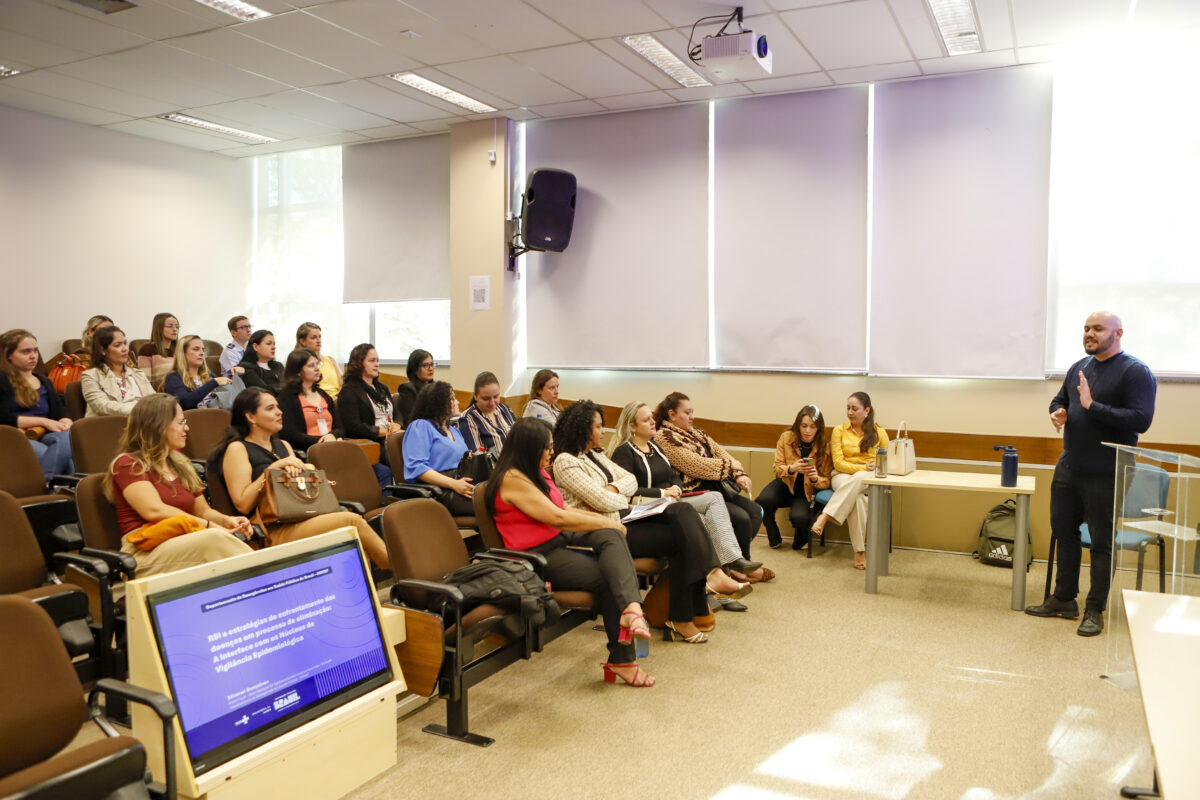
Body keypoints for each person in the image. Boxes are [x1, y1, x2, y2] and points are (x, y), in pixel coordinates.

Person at [553, 400, 744, 642]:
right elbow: (603, 502)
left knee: (683, 515)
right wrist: (616, 494)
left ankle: (696, 598)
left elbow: (630, 481)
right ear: (583, 429)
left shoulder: (596, 456)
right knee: (682, 534)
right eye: (599, 427)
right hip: (605, 531)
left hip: (626, 519)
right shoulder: (566, 461)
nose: (604, 431)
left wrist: (612, 489)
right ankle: (694, 602)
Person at [485, 418, 654, 686]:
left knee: (611, 537)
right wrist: (607, 521)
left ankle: (631, 613)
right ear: (530, 448)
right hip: (536, 557)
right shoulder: (512, 479)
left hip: (558, 539)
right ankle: (623, 657)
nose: (552, 452)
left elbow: (563, 511)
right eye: (547, 447)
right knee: (615, 577)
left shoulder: (535, 471)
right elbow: (557, 518)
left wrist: (609, 524)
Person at [1025, 311, 1156, 637]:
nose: (1089, 334)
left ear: (1119, 333)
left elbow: (1141, 419)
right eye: (1086, 328)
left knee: (1100, 543)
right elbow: (1061, 399)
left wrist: (1092, 406)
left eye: (1098, 329)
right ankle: (1064, 599)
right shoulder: (1078, 368)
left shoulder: (1135, 372)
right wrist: (1058, 411)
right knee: (1064, 533)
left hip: (1108, 471)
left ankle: (1094, 609)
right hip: (1070, 467)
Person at [215, 387, 389, 569]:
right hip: (272, 528)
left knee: (352, 537)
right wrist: (272, 470)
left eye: (278, 407)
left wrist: (307, 469)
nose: (279, 412)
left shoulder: (283, 445)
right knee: (351, 521)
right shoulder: (237, 448)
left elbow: (299, 486)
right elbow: (242, 503)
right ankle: (396, 567)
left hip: (301, 516)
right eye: (270, 408)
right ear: (250, 417)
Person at [609, 401, 763, 579]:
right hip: (649, 506)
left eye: (652, 417)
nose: (653, 422)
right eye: (646, 420)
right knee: (701, 519)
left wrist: (676, 487)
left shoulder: (654, 447)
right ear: (632, 427)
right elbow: (628, 490)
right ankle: (719, 578)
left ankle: (733, 560)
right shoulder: (624, 452)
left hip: (672, 500)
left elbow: (672, 475)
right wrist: (662, 493)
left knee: (714, 497)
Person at [103, 393, 253, 577]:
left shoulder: (181, 463)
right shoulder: (128, 464)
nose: (187, 428)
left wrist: (226, 520)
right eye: (181, 422)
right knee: (212, 539)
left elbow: (204, 511)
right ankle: (270, 583)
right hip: (144, 552)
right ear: (159, 425)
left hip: (185, 541)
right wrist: (208, 526)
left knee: (213, 540)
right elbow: (154, 511)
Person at [652, 392, 771, 583]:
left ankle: (738, 564)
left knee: (755, 511)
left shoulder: (697, 433)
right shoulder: (664, 436)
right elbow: (695, 465)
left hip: (718, 486)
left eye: (692, 412)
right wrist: (729, 466)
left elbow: (722, 453)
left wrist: (739, 473)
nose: (691, 417)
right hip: (696, 492)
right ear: (672, 414)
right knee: (741, 519)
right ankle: (733, 569)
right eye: (687, 412)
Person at [810, 392, 888, 570]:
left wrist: (876, 463)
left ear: (866, 410)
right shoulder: (839, 430)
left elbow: (888, 460)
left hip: (869, 478)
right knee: (858, 495)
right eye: (848, 408)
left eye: (855, 408)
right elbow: (838, 463)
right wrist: (862, 469)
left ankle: (825, 516)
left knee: (859, 491)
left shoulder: (879, 432)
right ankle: (859, 552)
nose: (850, 412)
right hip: (841, 476)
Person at [756, 404, 833, 552]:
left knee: (799, 525)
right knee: (762, 501)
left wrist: (815, 478)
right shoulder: (786, 437)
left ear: (819, 428)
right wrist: (792, 469)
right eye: (803, 426)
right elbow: (777, 469)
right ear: (798, 425)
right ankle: (773, 533)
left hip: (806, 492)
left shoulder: (824, 447)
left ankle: (801, 537)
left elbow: (827, 481)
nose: (807, 431)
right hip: (785, 484)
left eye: (812, 426)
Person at [1, 329, 75, 481]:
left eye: (35, 350)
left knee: (66, 438)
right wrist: (42, 421)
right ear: (9, 355)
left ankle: (47, 488)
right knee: (65, 461)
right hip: (15, 435)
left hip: (45, 434)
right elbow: (3, 417)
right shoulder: (2, 380)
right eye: (25, 351)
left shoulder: (44, 380)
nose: (33, 356)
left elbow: (61, 412)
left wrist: (65, 421)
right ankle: (49, 488)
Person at [402, 381, 472, 516]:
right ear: (438, 402)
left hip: (461, 483)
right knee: (492, 505)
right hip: (440, 490)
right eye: (452, 399)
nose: (457, 402)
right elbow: (417, 468)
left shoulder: (454, 430)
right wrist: (453, 484)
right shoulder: (420, 426)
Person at [336, 343, 402, 456]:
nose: (376, 364)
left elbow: (397, 414)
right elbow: (353, 427)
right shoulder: (349, 391)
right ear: (358, 364)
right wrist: (381, 432)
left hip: (391, 438)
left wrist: (397, 424)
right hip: (372, 443)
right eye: (372, 361)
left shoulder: (382, 388)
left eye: (377, 360)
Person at [81, 325, 154, 417]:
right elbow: (103, 406)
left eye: (125, 343)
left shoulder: (138, 373)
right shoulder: (91, 376)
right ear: (103, 350)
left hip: (144, 422)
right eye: (118, 345)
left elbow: (153, 400)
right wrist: (141, 410)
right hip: (111, 425)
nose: (125, 349)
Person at [277, 348, 341, 451]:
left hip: (332, 446)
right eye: (311, 366)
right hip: (308, 450)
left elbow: (340, 427)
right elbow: (290, 434)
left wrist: (332, 435)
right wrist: (321, 440)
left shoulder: (323, 394)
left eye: (317, 364)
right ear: (298, 371)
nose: (317, 369)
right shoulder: (286, 397)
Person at [162, 335, 235, 410]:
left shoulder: (209, 375)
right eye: (196, 349)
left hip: (219, 415)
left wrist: (233, 376)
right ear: (183, 353)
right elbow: (185, 402)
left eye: (203, 350)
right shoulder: (173, 377)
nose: (202, 353)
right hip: (194, 419)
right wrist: (213, 382)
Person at [458, 370, 516, 452]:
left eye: (496, 397)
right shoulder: (467, 419)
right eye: (486, 399)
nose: (492, 403)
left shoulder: (505, 409)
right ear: (475, 396)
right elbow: (477, 457)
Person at [295, 322, 341, 397]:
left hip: (338, 401)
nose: (318, 340)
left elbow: (341, 385)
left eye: (319, 337)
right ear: (302, 341)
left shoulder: (330, 360)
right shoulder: (299, 363)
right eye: (313, 337)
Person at [395, 349, 434, 427]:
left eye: (432, 364)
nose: (430, 368)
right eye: (426, 365)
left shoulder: (436, 388)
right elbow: (411, 421)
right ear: (415, 369)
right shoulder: (408, 389)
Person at [139, 312, 179, 387]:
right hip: (161, 395)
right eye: (170, 326)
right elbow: (145, 382)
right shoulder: (147, 349)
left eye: (177, 327)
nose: (175, 329)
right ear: (159, 328)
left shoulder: (180, 349)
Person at [238, 329, 284, 395]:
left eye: (274, 344)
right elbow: (264, 391)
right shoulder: (247, 367)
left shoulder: (278, 365)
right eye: (268, 344)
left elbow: (290, 385)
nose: (273, 347)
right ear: (255, 346)